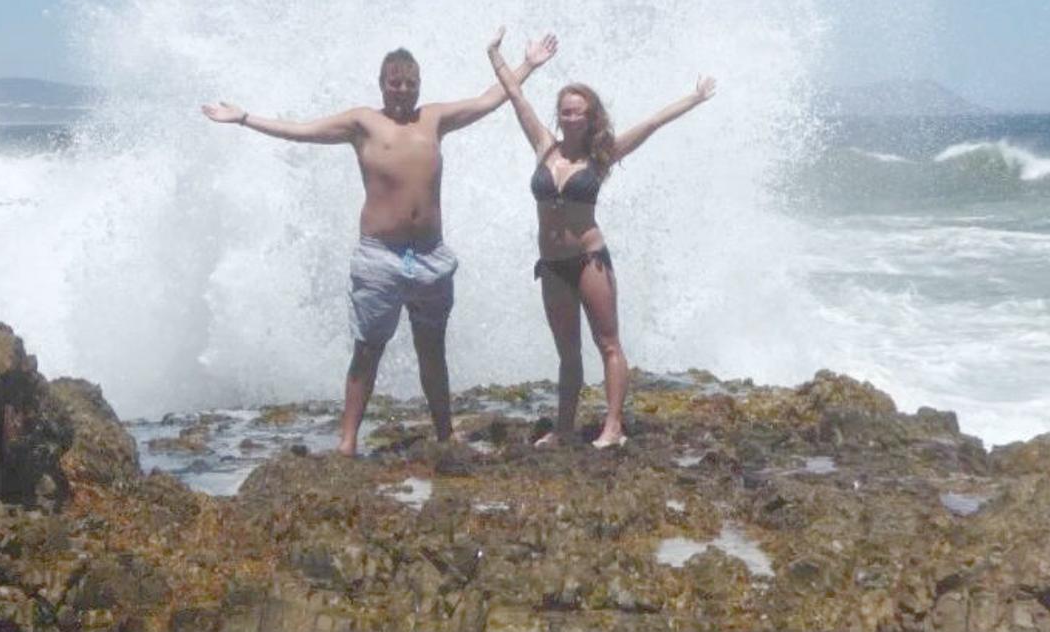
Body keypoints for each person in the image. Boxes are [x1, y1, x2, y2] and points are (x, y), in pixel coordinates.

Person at [202, 35, 558, 456]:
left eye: (410, 83)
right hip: (379, 257)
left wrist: (528, 64)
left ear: (420, 84)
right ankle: (347, 441)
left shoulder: (435, 119)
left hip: (431, 257)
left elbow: (489, 99)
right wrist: (244, 118)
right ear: (382, 84)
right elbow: (301, 132)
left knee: (432, 351)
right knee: (367, 350)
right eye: (395, 83)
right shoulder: (362, 123)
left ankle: (444, 434)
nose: (403, 90)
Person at [486, 27, 716, 448]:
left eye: (578, 112)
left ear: (591, 117)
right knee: (568, 354)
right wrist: (500, 57)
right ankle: (565, 428)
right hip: (552, 265)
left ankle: (613, 427)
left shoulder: (602, 155)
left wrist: (695, 98)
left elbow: (651, 123)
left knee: (608, 343)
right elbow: (517, 98)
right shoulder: (543, 146)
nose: (570, 117)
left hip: (590, 260)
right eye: (565, 111)